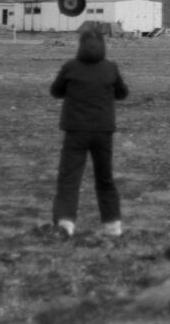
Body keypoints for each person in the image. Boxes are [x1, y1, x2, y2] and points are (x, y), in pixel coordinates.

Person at [49, 26, 129, 240]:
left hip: (75, 131)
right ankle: (113, 226)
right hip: (103, 131)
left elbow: (55, 91)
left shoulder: (70, 67)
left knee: (69, 178)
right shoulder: (110, 68)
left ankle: (65, 223)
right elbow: (122, 93)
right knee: (105, 179)